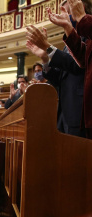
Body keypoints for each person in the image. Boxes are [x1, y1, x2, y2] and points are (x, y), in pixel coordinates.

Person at [27, 0, 91, 137]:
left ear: (81, 8)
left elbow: (77, 65)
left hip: (80, 112)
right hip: (64, 112)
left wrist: (47, 47)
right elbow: (59, 79)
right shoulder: (68, 43)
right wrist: (44, 58)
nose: (66, 17)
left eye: (68, 13)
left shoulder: (88, 34)